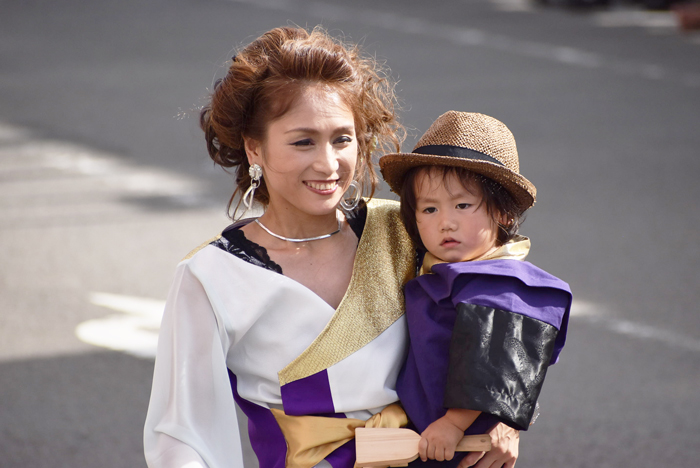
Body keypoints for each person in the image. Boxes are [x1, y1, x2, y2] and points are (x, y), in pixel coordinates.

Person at [144, 26, 520, 468]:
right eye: (303, 141)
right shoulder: (210, 275)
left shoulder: (404, 229)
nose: (328, 163)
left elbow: (503, 309)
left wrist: (502, 413)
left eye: (342, 139)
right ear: (254, 148)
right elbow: (181, 431)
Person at [379, 111, 572, 468]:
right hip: (421, 437)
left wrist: (455, 423)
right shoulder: (440, 268)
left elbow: (491, 360)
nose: (445, 221)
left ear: (503, 213)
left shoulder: (502, 284)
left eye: (463, 205)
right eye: (429, 208)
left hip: (459, 444)